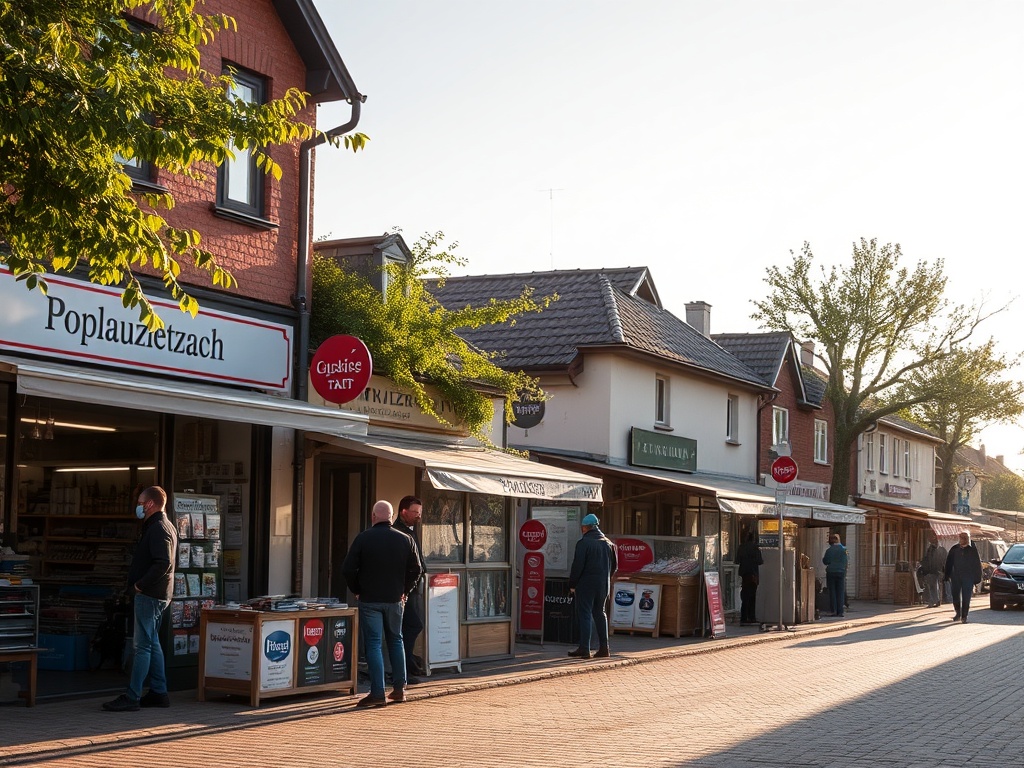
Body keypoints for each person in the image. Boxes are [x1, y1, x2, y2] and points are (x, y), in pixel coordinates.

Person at [342, 500, 422, 707]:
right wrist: (405, 590)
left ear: (373, 516)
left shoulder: (363, 538)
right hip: (396, 599)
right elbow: (417, 569)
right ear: (392, 515)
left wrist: (357, 590)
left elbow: (348, 569)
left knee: (374, 644)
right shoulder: (406, 539)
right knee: (396, 640)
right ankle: (399, 689)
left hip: (370, 600)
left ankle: (377, 692)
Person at [103, 486, 176, 712]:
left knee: (141, 646)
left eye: (140, 502)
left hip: (150, 595)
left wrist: (138, 585)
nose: (138, 506)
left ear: (150, 504)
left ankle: (133, 696)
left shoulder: (158, 529)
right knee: (152, 643)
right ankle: (159, 692)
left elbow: (163, 562)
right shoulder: (163, 526)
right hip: (156, 594)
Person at [567, 513, 618, 659]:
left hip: (586, 584)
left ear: (585, 527)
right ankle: (604, 648)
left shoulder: (583, 543)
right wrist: (606, 578)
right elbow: (615, 566)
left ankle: (585, 648)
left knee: (585, 614)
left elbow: (577, 566)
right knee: (600, 613)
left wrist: (572, 584)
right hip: (603, 584)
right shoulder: (609, 544)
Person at [393, 495, 426, 683]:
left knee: (408, 627)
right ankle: (403, 669)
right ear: (403, 512)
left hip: (410, 589)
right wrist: (406, 588)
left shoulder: (410, 530)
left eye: (420, 513)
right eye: (415, 512)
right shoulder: (400, 532)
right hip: (405, 590)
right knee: (412, 625)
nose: (418, 516)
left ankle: (408, 665)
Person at [944, 530, 982, 624]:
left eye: (963, 538)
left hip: (968, 577)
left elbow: (977, 564)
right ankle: (958, 613)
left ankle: (964, 616)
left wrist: (977, 578)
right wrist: (946, 575)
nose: (961, 539)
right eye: (960, 537)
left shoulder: (972, 549)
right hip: (956, 576)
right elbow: (949, 563)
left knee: (966, 597)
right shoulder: (954, 549)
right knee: (955, 595)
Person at [736, 532, 763, 625]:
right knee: (752, 596)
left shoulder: (741, 547)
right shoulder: (756, 548)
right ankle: (751, 617)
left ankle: (744, 617)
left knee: (745, 596)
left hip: (744, 574)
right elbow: (760, 561)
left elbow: (737, 560)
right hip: (753, 574)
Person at [822, 533, 849, 618]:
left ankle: (834, 610)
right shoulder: (844, 550)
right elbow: (847, 561)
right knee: (840, 592)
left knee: (832, 592)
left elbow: (825, 561)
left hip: (831, 572)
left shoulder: (829, 550)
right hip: (841, 572)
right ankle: (840, 612)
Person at [920, 531, 948, 608]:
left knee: (933, 586)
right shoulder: (935, 549)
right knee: (935, 586)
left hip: (934, 570)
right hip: (935, 570)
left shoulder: (934, 549)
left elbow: (931, 560)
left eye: (930, 537)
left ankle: (933, 601)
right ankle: (936, 600)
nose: (929, 539)